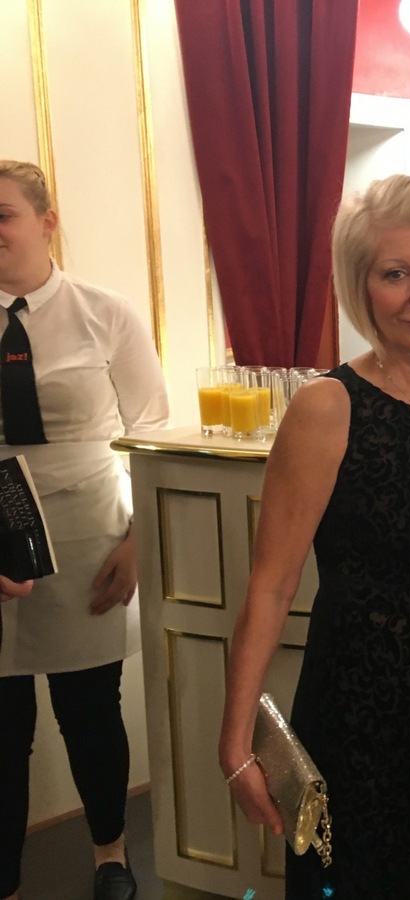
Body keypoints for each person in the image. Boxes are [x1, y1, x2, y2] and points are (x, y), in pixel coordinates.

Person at [219, 174, 410, 898]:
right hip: (356, 720)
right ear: (362, 286)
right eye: (395, 274)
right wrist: (235, 744)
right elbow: (271, 586)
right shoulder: (328, 406)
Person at [0, 160, 169, 900]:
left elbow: (153, 430)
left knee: (90, 713)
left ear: (46, 221)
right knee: (3, 728)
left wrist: (139, 542)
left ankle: (111, 856)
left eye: (3, 214)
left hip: (88, 537)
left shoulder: (107, 312)